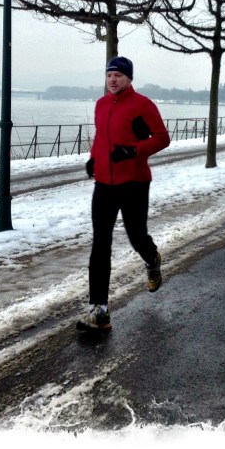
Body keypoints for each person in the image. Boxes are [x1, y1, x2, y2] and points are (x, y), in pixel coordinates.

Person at [77, 56, 171, 331]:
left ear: (129, 79)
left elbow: (162, 138)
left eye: (119, 75)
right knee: (100, 244)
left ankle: (152, 259)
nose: (113, 79)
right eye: (109, 75)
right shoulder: (101, 104)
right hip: (104, 184)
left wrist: (133, 150)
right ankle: (100, 310)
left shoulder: (143, 105)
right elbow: (100, 138)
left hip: (134, 182)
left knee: (136, 236)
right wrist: (94, 158)